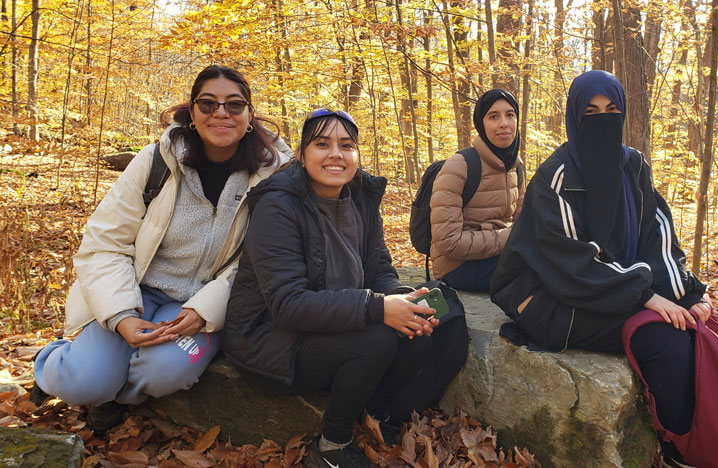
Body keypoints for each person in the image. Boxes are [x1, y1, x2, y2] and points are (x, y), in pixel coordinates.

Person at [31, 65, 291, 431]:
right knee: (84, 382)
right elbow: (105, 243)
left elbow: (261, 260)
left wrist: (206, 309)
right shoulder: (157, 161)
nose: (221, 113)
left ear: (249, 115)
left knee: (163, 373)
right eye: (208, 103)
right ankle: (53, 364)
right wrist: (121, 316)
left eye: (234, 105)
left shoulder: (275, 176)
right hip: (134, 288)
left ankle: (119, 399)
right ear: (192, 112)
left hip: (202, 302)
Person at [490, 70, 712, 468]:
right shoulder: (556, 176)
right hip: (545, 296)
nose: (602, 119)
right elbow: (572, 260)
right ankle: (679, 450)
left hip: (610, 286)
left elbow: (657, 233)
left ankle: (709, 434)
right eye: (590, 111)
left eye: (611, 109)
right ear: (574, 117)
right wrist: (644, 296)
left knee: (693, 327)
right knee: (667, 339)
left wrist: (686, 292)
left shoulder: (634, 166)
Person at [223, 109, 468, 468]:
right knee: (381, 337)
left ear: (356, 155)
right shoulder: (278, 206)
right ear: (302, 154)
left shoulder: (361, 199)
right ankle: (332, 446)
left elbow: (380, 269)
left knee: (434, 309)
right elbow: (288, 305)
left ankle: (381, 414)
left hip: (337, 320)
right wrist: (379, 308)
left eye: (346, 145)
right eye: (322, 144)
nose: (336, 154)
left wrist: (402, 299)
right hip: (271, 341)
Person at [429, 89, 524, 291]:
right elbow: (448, 242)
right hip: (457, 267)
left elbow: (523, 223)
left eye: (510, 115)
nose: (504, 123)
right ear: (481, 123)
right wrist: (510, 238)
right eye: (493, 116)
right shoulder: (459, 166)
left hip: (498, 256)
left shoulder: (516, 166)